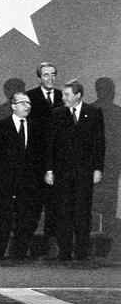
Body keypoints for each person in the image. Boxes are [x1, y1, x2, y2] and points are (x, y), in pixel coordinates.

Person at [44, 80, 105, 261]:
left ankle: (81, 252)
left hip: (85, 172)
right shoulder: (57, 114)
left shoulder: (93, 113)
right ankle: (64, 251)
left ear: (78, 95)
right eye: (63, 94)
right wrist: (49, 169)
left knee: (82, 212)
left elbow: (99, 143)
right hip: (62, 172)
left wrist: (98, 168)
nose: (63, 98)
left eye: (67, 94)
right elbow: (50, 145)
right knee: (63, 211)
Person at [0, 92, 45, 260]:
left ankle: (19, 253)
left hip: (29, 183)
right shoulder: (0, 126)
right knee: (3, 217)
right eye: (22, 103)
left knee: (26, 217)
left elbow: (40, 154)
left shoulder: (36, 127)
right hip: (6, 181)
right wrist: (5, 171)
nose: (27, 106)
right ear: (13, 106)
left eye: (28, 103)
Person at [27, 62, 63, 250]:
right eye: (46, 75)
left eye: (53, 74)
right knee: (34, 202)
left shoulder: (62, 96)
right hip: (36, 159)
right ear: (39, 77)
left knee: (54, 204)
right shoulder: (30, 96)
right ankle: (30, 245)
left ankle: (51, 245)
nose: (50, 78)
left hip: (57, 159)